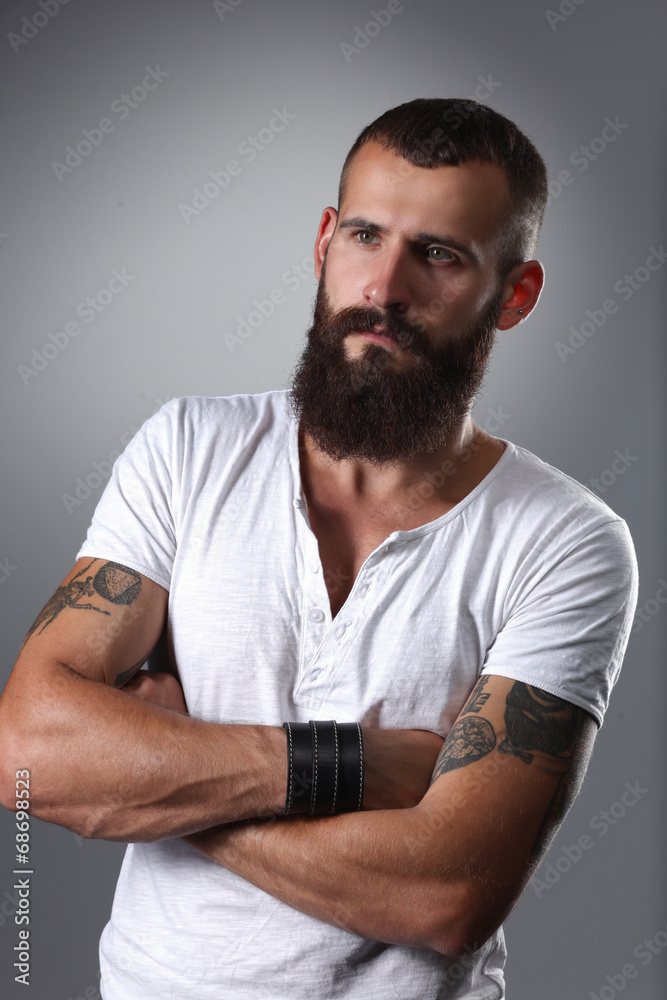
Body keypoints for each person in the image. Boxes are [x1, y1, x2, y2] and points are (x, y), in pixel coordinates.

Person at [0, 98, 638, 999]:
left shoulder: (565, 543)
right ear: (323, 242)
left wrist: (159, 779)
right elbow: (26, 753)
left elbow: (447, 894)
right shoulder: (188, 450)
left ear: (515, 295)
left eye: (439, 255)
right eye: (366, 237)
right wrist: (348, 764)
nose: (384, 289)